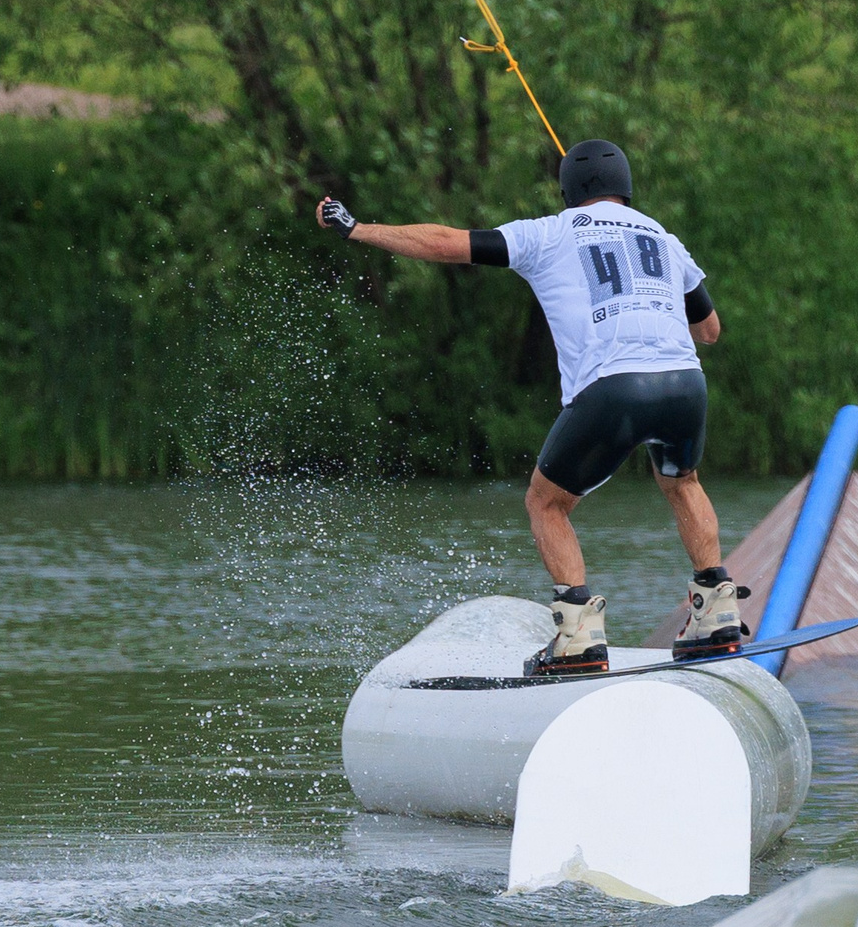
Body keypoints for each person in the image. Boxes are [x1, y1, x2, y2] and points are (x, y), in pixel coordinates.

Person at [314, 140, 747, 678]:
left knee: (546, 502)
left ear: (568, 190)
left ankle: (578, 637)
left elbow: (447, 243)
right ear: (626, 187)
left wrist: (359, 229)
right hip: (686, 386)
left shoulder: (549, 232)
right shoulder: (663, 237)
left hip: (614, 389)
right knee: (682, 481)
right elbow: (710, 330)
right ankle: (717, 612)